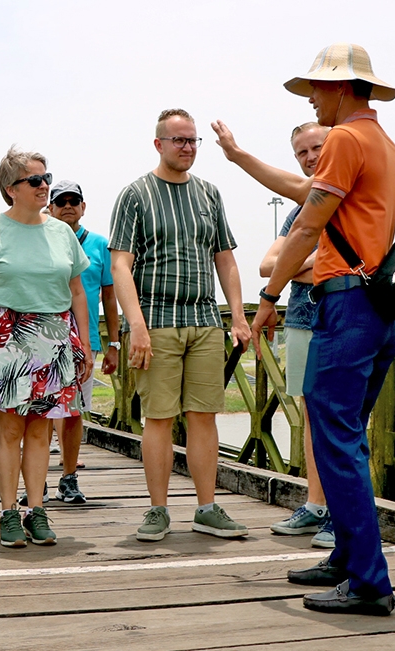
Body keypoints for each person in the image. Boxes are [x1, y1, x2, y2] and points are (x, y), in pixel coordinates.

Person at [248, 43, 395, 615]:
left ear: (342, 88)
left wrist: (268, 296)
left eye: (316, 88)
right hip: (378, 308)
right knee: (345, 438)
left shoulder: (343, 138)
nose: (311, 98)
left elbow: (310, 222)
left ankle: (368, 581)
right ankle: (345, 555)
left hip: (345, 304)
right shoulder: (382, 141)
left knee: (333, 437)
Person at [109, 108, 252, 543]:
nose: (187, 147)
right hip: (157, 320)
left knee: (205, 416)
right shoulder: (135, 194)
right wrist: (136, 325)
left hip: (205, 320)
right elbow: (120, 264)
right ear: (159, 144)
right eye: (179, 141)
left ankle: (207, 508)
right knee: (159, 417)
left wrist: (239, 316)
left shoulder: (209, 194)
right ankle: (158, 510)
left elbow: (224, 258)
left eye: (193, 141)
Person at [210, 119, 334, 549]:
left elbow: (339, 265)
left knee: (345, 418)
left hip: (342, 317)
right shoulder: (302, 209)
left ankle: (344, 512)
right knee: (313, 417)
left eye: (317, 147)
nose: (310, 157)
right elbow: (266, 266)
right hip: (301, 318)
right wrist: (307, 262)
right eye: (302, 153)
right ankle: (317, 505)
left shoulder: (350, 194)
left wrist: (296, 263)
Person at [0, 146, 92, 548]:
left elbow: (77, 291)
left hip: (55, 333)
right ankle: (8, 514)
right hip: (7, 334)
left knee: (41, 431)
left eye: (46, 178)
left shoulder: (62, 232)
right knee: (11, 429)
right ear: (10, 188)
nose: (44, 186)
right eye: (35, 180)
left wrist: (84, 344)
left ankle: (37, 510)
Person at [43, 180, 121, 504]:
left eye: (74, 201)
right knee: (41, 414)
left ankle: (69, 479)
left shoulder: (100, 244)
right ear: (50, 208)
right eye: (61, 202)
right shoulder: (40, 241)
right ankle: (36, 482)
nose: (68, 207)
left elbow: (109, 296)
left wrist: (113, 343)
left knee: (73, 414)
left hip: (84, 343)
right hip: (43, 339)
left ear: (83, 207)